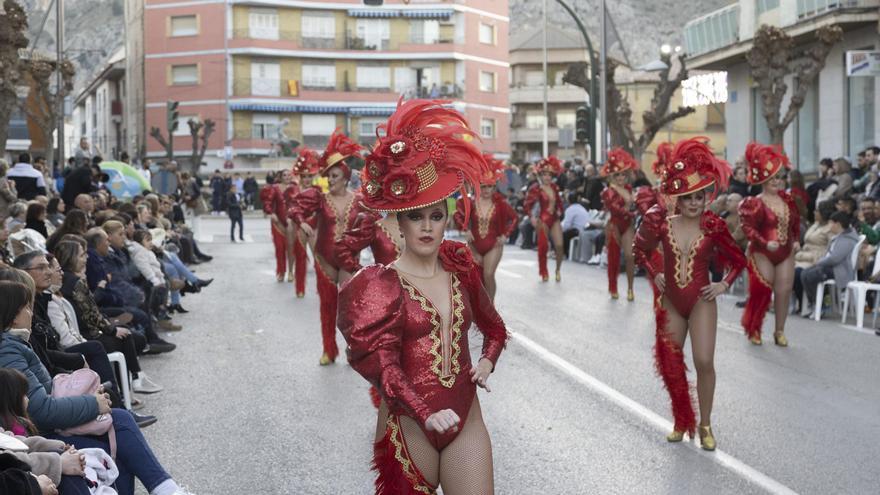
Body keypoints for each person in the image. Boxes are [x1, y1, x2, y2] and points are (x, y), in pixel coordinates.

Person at [338, 98, 507, 494]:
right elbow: (384, 370)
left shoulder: (461, 269)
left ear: (447, 217)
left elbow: (494, 328)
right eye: (416, 217)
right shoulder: (380, 285)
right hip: (410, 425)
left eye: (436, 216)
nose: (427, 228)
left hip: (466, 419)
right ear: (399, 223)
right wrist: (424, 413)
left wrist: (487, 361)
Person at [0, 280, 195, 495]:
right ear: (13, 314)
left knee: (119, 420)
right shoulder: (8, 350)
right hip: (41, 434)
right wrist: (92, 404)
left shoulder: (16, 344)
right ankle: (166, 489)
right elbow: (40, 410)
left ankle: (166, 488)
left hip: (42, 432)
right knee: (117, 436)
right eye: (26, 307)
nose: (31, 313)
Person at [633, 137, 746, 450]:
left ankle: (706, 424)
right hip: (671, 302)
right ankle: (682, 419)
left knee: (704, 360)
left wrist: (723, 284)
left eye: (700, 196)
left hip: (701, 301)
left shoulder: (714, 225)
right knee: (670, 362)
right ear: (678, 200)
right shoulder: (660, 223)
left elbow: (738, 260)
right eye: (688, 198)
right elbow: (638, 249)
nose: (695, 202)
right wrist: (654, 272)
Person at [288, 129, 363, 365]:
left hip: (350, 260)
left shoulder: (359, 201)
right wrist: (302, 223)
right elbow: (296, 209)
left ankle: (353, 348)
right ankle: (328, 350)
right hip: (324, 259)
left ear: (345, 176)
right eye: (328, 176)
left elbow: (374, 223)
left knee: (350, 308)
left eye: (334, 176)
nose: (329, 180)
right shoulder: (319, 198)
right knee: (327, 306)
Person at [739, 142, 800, 346]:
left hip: (786, 251)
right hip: (762, 252)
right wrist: (765, 242)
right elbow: (748, 229)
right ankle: (754, 327)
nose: (776, 181)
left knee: (784, 291)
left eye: (779, 177)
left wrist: (797, 240)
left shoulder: (788, 201)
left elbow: (795, 224)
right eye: (772, 178)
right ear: (763, 180)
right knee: (762, 290)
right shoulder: (754, 203)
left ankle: (779, 331)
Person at [453, 153, 517, 300]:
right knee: (477, 280)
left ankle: (490, 308)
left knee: (488, 275)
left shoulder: (500, 204)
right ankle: (480, 311)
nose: (487, 190)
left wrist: (505, 235)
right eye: (483, 186)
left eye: (490, 186)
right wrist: (465, 229)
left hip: (494, 246)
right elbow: (458, 215)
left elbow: (514, 218)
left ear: (494, 187)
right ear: (477, 186)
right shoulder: (468, 202)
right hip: (474, 247)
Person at [800, 212, 860, 317]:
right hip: (832, 268)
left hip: (840, 270)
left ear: (838, 224)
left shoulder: (848, 239)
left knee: (811, 275)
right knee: (804, 273)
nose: (828, 226)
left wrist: (819, 262)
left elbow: (834, 258)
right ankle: (814, 304)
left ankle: (819, 306)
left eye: (830, 223)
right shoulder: (839, 236)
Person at [600, 147, 639, 300]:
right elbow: (615, 209)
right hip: (614, 225)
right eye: (618, 175)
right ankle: (613, 287)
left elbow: (635, 205)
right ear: (612, 176)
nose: (621, 177)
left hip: (628, 225)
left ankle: (630, 289)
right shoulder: (608, 191)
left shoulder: (630, 189)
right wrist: (631, 211)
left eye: (623, 174)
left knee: (630, 256)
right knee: (614, 258)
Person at [524, 156, 565, 282]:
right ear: (540, 176)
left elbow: (559, 203)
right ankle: (544, 271)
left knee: (559, 245)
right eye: (544, 174)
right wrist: (531, 217)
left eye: (549, 175)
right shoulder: (536, 188)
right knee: (543, 247)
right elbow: (527, 204)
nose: (547, 177)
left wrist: (559, 209)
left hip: (554, 219)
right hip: (542, 219)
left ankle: (558, 269)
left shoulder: (555, 188)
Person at [260, 169, 294, 281]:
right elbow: (267, 202)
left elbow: (301, 204)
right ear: (281, 177)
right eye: (285, 175)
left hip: (292, 222)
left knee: (290, 248)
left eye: (289, 175)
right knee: (279, 248)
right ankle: (281, 272)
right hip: (277, 223)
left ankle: (290, 272)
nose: (287, 177)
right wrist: (271, 213)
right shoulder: (275, 188)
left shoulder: (296, 188)